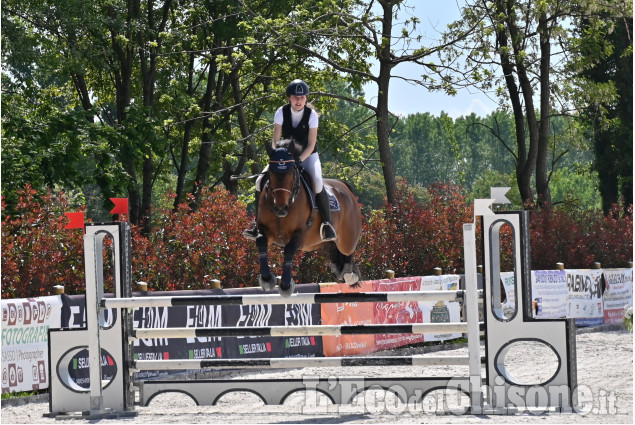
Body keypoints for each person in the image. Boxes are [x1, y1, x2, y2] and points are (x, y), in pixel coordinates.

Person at [243, 79, 337, 242]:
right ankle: (256, 224)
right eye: (295, 97)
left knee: (317, 182)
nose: (298, 101)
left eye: (301, 97)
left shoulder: (312, 115)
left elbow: (311, 144)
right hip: (285, 156)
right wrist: (277, 155)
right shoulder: (281, 112)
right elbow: (275, 139)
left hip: (307, 155)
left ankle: (327, 224)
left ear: (306, 98)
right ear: (289, 98)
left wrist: (299, 160)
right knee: (259, 181)